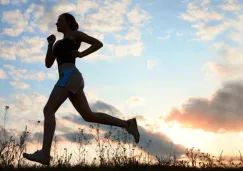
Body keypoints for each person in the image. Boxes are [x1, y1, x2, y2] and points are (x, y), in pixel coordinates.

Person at [23, 12, 140, 165]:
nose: (56, 23)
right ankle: (127, 124)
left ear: (68, 22)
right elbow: (48, 63)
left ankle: (45, 154)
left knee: (48, 110)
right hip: (71, 79)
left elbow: (97, 43)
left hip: (70, 75)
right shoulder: (58, 43)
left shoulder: (74, 35)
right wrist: (50, 44)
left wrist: (81, 54)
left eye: (59, 20)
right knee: (88, 116)